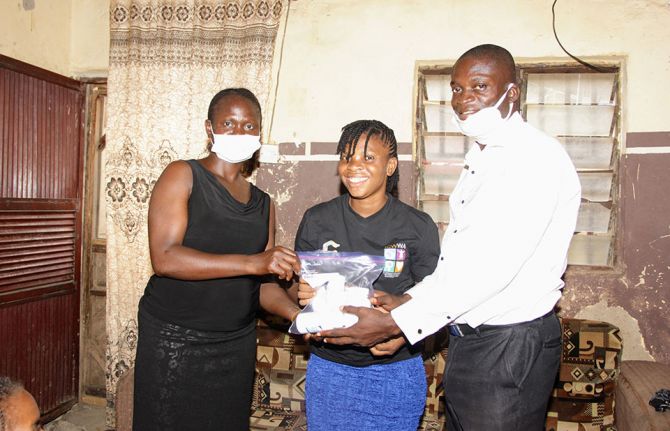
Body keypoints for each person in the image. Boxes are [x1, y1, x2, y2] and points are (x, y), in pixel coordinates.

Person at [316, 44, 582, 430]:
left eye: (479, 86)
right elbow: (460, 264)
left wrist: (398, 324)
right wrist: (408, 300)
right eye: (456, 89)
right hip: (472, 342)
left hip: (509, 346)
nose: (464, 100)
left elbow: (492, 269)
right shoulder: (483, 159)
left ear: (512, 92)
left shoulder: (532, 159)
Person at [132, 88, 302, 431]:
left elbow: (263, 286)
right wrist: (255, 262)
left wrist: (299, 317)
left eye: (249, 125)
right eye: (229, 123)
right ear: (210, 129)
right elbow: (165, 257)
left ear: (259, 133)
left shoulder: (264, 203)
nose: (240, 132)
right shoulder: (182, 175)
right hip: (175, 335)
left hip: (235, 342)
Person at [294, 120, 440, 430]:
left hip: (395, 371)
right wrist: (305, 297)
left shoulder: (418, 226)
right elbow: (304, 292)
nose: (354, 166)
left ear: (391, 166)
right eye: (347, 157)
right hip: (330, 370)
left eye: (368, 157)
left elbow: (436, 301)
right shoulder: (317, 220)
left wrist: (401, 335)